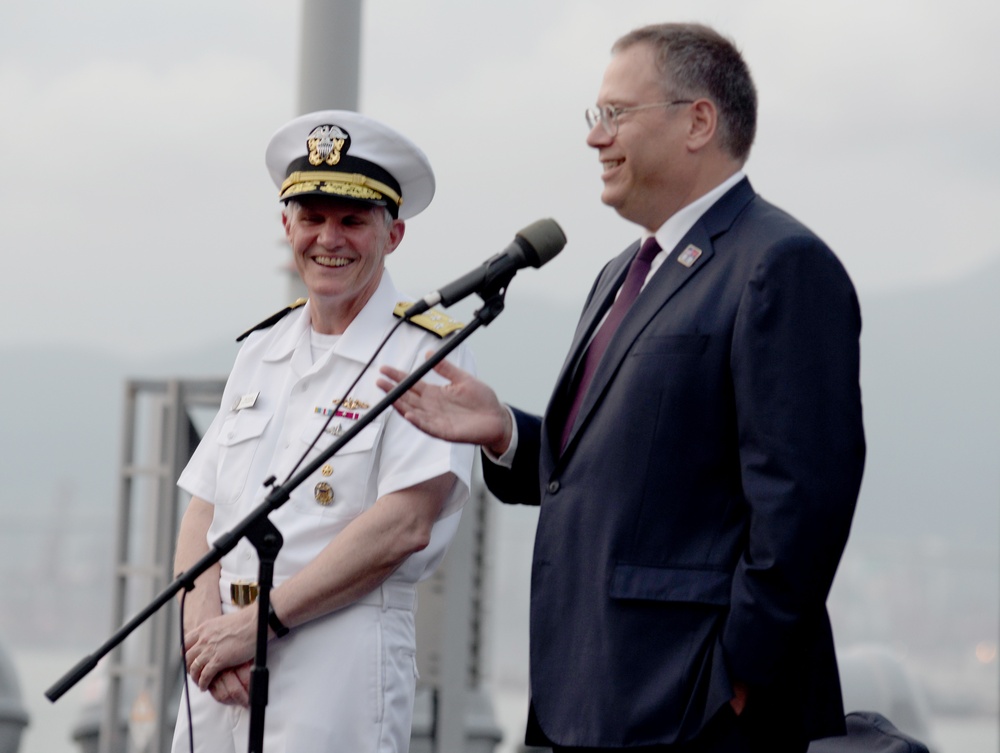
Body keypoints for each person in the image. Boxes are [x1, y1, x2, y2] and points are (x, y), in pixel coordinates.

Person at [378, 23, 865, 753]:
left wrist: (738, 670)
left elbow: (803, 500)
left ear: (698, 120)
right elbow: (617, 472)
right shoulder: (619, 276)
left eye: (615, 114)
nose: (595, 138)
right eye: (593, 117)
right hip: (589, 689)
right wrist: (507, 431)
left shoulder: (778, 263)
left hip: (692, 702)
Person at [171, 110, 474, 753]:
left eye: (351, 220)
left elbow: (404, 524)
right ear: (286, 227)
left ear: (392, 234)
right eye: (311, 218)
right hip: (218, 660)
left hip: (336, 657)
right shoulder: (261, 348)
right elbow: (204, 507)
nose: (328, 239)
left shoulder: (426, 355)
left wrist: (258, 626)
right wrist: (203, 629)